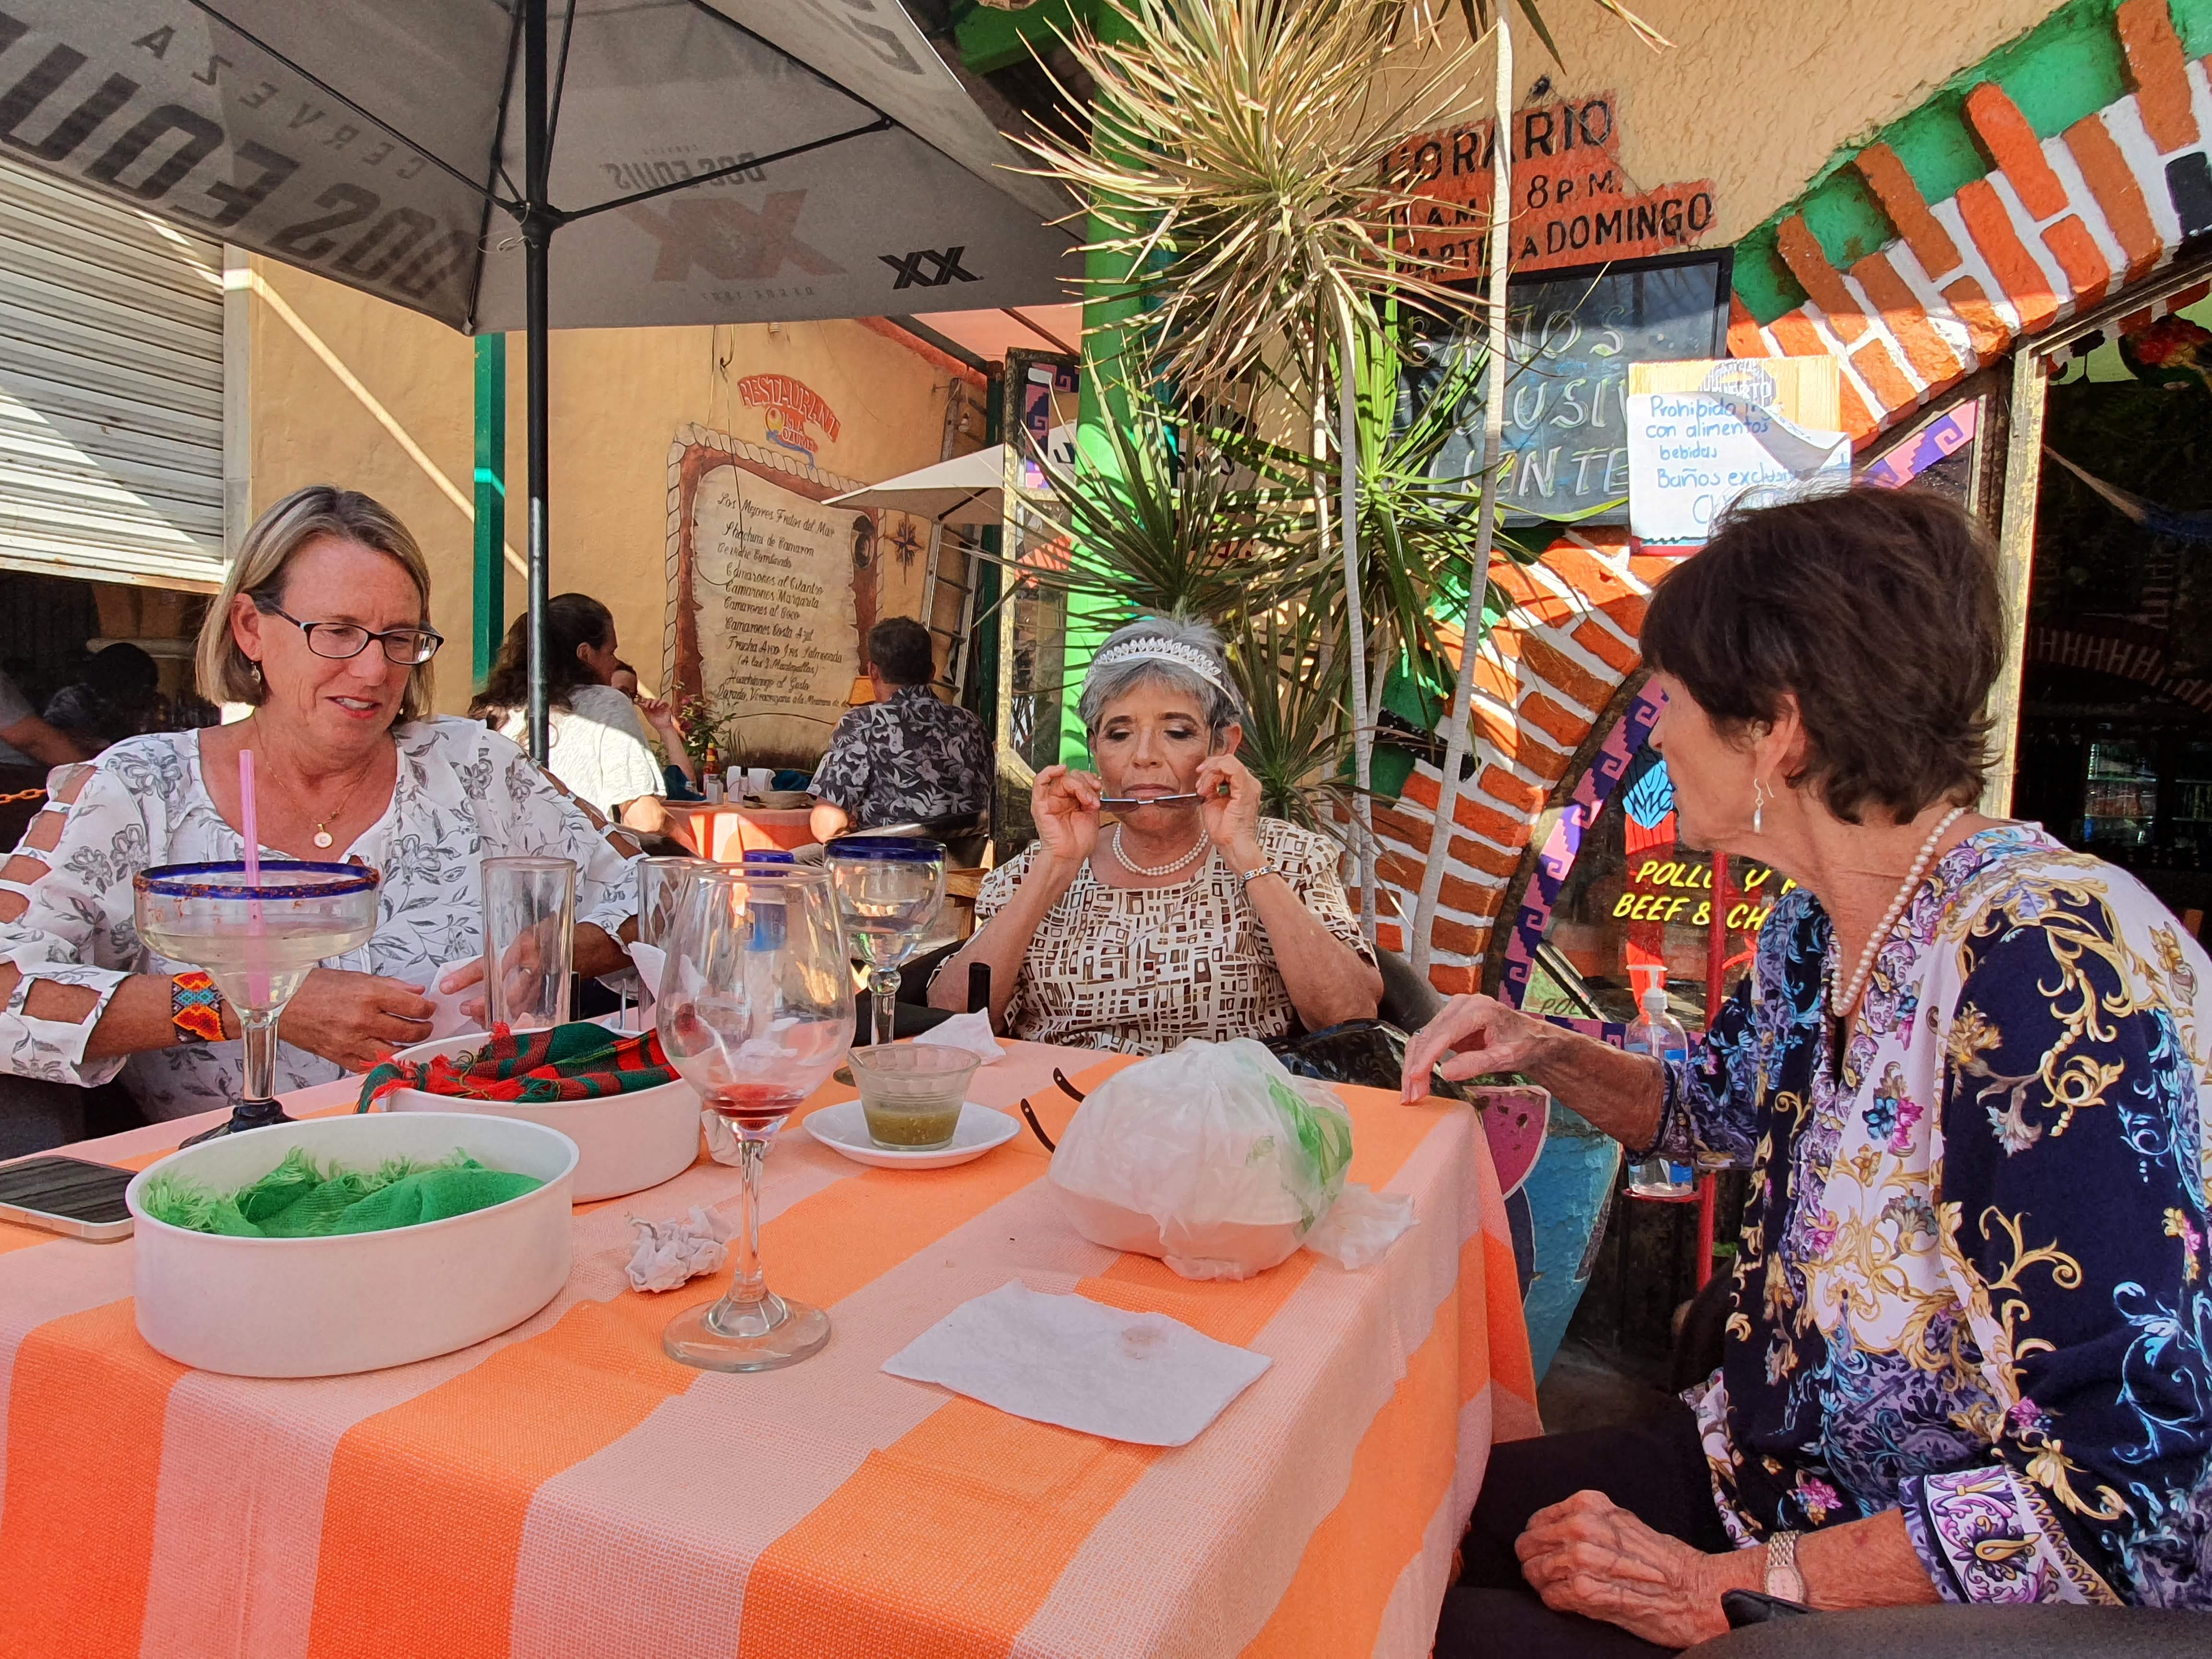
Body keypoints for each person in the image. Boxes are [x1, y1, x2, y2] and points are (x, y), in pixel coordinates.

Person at [1401, 489, 2212, 1652]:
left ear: (1777, 731)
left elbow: (2127, 1490)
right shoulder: (1817, 927)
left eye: (1668, 693)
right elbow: (1703, 1109)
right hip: (1751, 1462)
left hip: (1926, 1602)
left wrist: (1711, 1585)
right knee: (1391, 1525)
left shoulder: (2043, 965)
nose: (1654, 727)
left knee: (1435, 1628)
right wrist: (1541, 1044)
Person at [0, 486, 639, 1123]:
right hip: (233, 1191)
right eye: (337, 632)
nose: (373, 670)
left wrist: (571, 946)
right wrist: (244, 1001)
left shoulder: (474, 766)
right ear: (251, 628)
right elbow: (7, 988)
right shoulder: (139, 792)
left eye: (399, 637)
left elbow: (661, 900)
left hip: (484, 1148)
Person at [932, 616, 1381, 1051]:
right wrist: (1056, 867)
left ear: (1223, 745)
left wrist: (1244, 854)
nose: (1144, 756)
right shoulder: (1037, 866)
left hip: (1227, 1117)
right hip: (1062, 1113)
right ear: (1094, 748)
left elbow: (1350, 1019)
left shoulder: (1288, 856)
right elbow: (952, 1019)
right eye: (1119, 734)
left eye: (1177, 732)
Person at [470, 595, 668, 825]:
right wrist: (683, 837)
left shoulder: (492, 710)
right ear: (585, 654)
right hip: (578, 857)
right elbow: (646, 820)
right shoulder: (606, 704)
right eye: (610, 652)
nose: (615, 663)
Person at [808, 615, 992, 842]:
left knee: (795, 861)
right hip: (962, 867)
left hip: (888, 867)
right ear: (932, 673)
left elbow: (826, 826)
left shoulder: (864, 723)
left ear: (873, 672)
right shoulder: (972, 725)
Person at [42, 642, 170, 754]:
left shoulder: (139, 704)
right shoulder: (74, 699)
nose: (145, 693)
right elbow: (59, 741)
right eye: (141, 686)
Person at [609, 660, 701, 798]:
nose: (625, 700)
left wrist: (666, 728)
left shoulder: (629, 744)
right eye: (620, 692)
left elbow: (686, 788)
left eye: (631, 695)